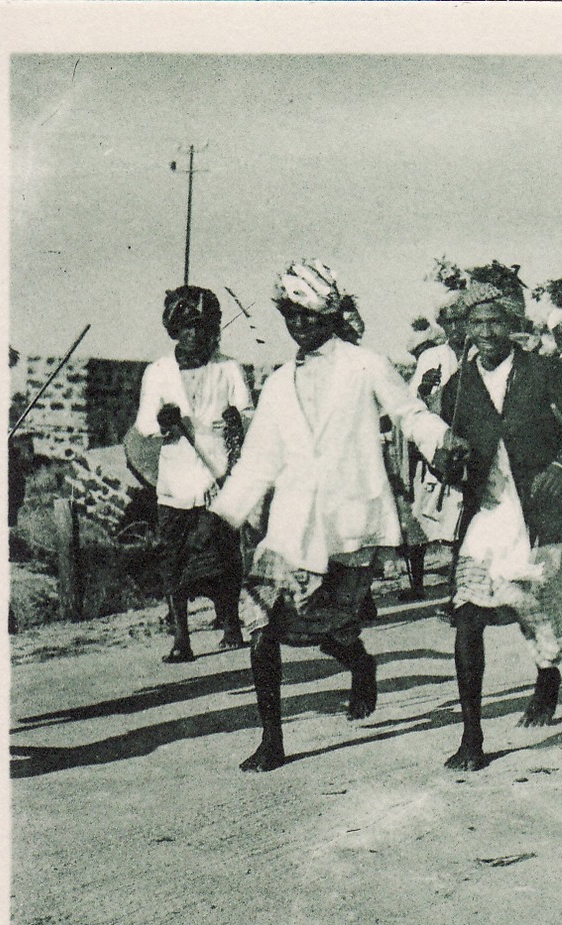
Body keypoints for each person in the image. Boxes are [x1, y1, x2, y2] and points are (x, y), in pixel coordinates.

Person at [210, 260, 466, 772]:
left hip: (350, 524)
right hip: (289, 527)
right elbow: (260, 461)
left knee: (323, 628)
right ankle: (272, 740)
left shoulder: (364, 365)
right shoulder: (280, 382)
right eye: (292, 315)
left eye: (311, 313)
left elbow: (410, 413)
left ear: (330, 311)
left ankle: (361, 665)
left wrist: (443, 440)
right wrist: (222, 516)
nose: (302, 325)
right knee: (261, 621)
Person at [435, 273, 562, 771]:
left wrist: (559, 468)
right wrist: (444, 464)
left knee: (534, 608)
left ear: (512, 324)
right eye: (475, 322)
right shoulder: (459, 387)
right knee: (468, 615)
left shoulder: (544, 371)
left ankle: (547, 673)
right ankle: (472, 735)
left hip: (537, 515)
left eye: (494, 321)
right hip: (485, 515)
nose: (484, 331)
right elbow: (446, 448)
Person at [134, 285, 252, 662]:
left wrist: (238, 420)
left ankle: (231, 623)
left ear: (213, 329)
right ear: (174, 329)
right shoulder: (158, 372)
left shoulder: (229, 368)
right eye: (186, 326)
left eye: (202, 327)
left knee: (224, 554)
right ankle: (181, 638)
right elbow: (144, 427)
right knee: (174, 558)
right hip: (175, 483)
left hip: (218, 475)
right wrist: (164, 421)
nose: (194, 334)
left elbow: (249, 416)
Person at [408, 291, 470, 586]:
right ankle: (440, 587)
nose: (457, 328)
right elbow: (413, 404)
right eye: (451, 322)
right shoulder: (433, 357)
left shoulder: (480, 353)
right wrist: (422, 388)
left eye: (462, 320)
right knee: (440, 520)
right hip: (444, 447)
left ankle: (463, 589)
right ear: (443, 324)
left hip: (476, 444)